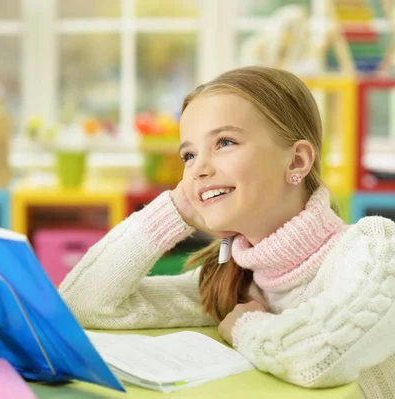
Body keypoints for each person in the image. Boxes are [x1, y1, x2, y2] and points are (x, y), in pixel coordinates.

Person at [59, 66, 395, 398]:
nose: (199, 169)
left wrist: (244, 328)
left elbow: (320, 356)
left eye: (225, 142)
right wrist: (173, 209)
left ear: (296, 162)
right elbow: (81, 304)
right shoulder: (235, 282)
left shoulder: (373, 249)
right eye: (189, 155)